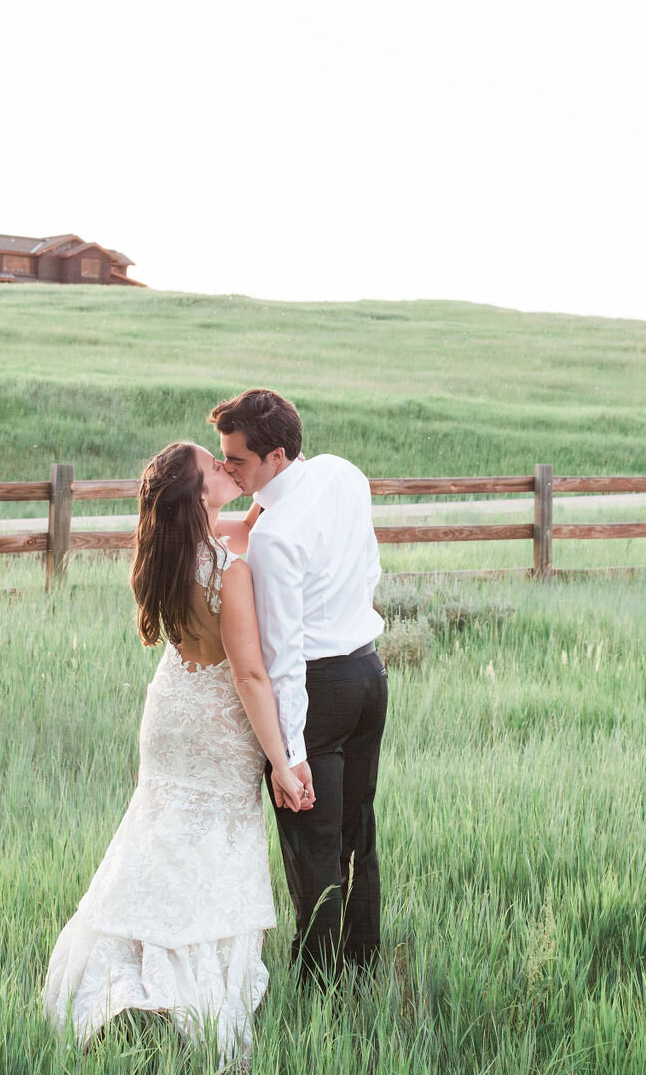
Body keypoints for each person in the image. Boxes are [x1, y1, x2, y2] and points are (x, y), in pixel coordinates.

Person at [41, 441, 308, 1067]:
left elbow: (247, 524)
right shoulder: (229, 570)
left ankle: (124, 984)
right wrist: (283, 762)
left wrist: (267, 496)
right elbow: (248, 676)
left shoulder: (167, 553)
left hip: (168, 715)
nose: (225, 468)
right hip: (215, 722)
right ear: (196, 496)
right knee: (211, 848)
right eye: (214, 468)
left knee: (158, 841)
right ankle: (184, 994)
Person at [209, 388, 388, 980]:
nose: (227, 468)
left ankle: (320, 987)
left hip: (319, 689)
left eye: (236, 459)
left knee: (313, 848)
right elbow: (370, 565)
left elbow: (282, 658)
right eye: (223, 457)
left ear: (276, 455)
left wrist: (289, 754)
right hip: (369, 672)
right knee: (356, 828)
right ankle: (363, 961)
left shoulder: (274, 536)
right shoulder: (342, 473)